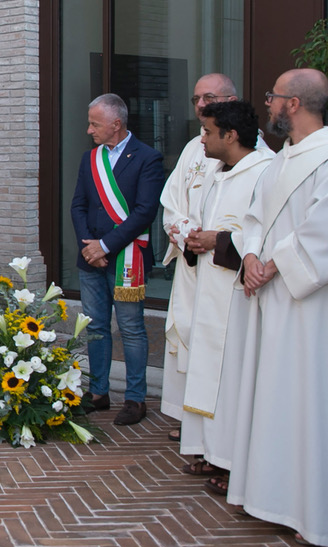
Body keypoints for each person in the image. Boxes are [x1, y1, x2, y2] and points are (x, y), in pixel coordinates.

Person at [227, 69, 328, 547]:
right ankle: (280, 499)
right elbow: (254, 216)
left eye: (273, 97)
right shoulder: (283, 160)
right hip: (277, 303)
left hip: (320, 313)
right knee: (283, 402)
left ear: (293, 104)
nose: (268, 104)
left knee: (320, 403)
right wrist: (250, 256)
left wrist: (271, 266)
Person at [175, 100, 271, 489]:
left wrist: (220, 240)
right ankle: (212, 451)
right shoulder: (217, 173)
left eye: (208, 132)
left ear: (230, 135)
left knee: (233, 379)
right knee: (208, 373)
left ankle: (234, 461)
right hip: (210, 291)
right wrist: (194, 238)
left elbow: (266, 233)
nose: (202, 140)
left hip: (239, 298)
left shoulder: (264, 173)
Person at [69, 93, 164, 425]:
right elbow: (78, 205)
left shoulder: (148, 158)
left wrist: (104, 246)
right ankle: (98, 392)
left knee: (132, 328)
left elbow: (144, 213)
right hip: (90, 258)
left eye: (95, 124)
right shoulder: (89, 159)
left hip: (125, 258)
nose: (89, 130)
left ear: (116, 124)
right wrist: (88, 246)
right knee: (95, 327)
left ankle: (135, 399)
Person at [158, 74, 238, 440]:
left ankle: (216, 428)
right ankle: (187, 419)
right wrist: (183, 228)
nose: (201, 105)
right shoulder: (194, 146)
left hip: (221, 270)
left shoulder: (252, 151)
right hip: (192, 263)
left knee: (216, 345)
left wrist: (210, 238)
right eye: (196, 99)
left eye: (209, 97)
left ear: (231, 100)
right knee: (186, 335)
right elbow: (171, 199)